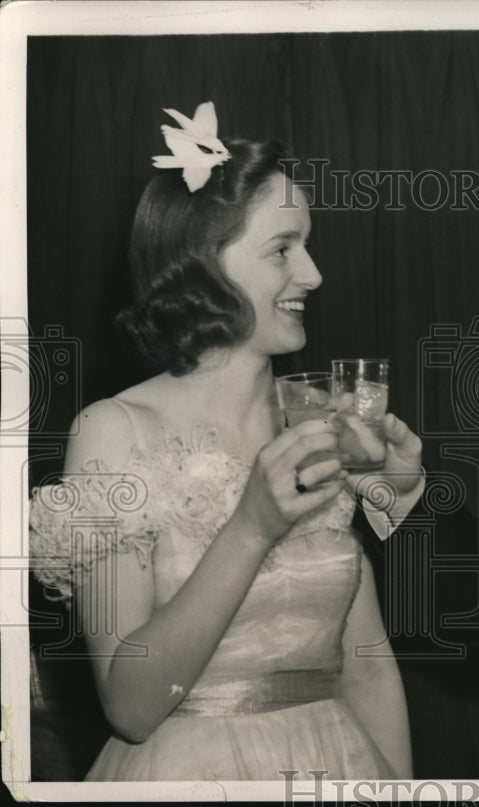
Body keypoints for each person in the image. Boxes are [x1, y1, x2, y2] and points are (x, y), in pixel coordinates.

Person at [29, 103, 420, 781]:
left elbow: (368, 663)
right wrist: (251, 526)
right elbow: (130, 703)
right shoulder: (112, 431)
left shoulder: (317, 421)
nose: (313, 275)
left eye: (308, 244)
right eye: (282, 248)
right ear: (203, 261)